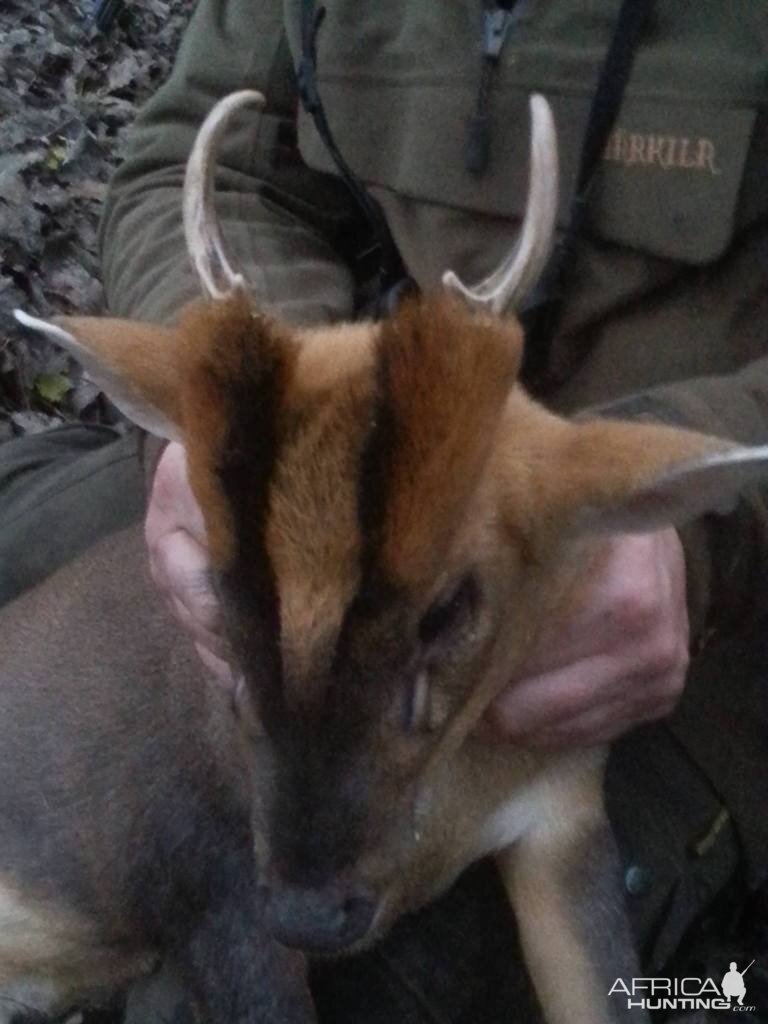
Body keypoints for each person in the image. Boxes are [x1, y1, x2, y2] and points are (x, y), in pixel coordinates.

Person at [2, 1, 767, 1019]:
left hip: (666, 596)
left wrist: (711, 532)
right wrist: (282, 413)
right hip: (353, 535)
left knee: (392, 975)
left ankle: (712, 993)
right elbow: (201, 155)